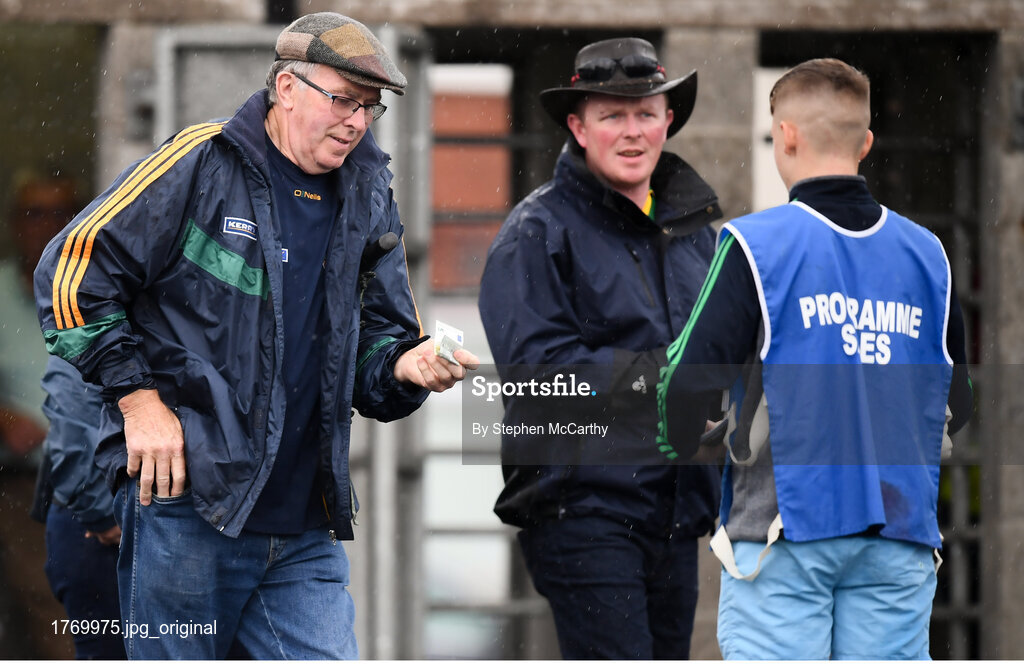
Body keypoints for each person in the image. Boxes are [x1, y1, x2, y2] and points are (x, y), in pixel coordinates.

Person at [33, 12, 478, 660]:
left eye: (369, 108)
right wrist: (139, 402)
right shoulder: (200, 161)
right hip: (189, 509)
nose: (356, 121)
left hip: (304, 524)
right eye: (343, 100)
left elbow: (377, 344)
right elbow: (70, 273)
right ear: (286, 88)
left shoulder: (369, 194)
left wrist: (405, 368)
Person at [656, 58, 973, 660]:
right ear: (867, 143)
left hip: (785, 533)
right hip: (899, 536)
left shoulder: (755, 245)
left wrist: (684, 439)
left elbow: (684, 390)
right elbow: (957, 404)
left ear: (786, 135)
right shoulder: (928, 256)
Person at [478, 37, 723, 659]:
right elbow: (537, 380)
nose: (632, 131)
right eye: (612, 115)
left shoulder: (697, 234)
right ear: (578, 127)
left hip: (678, 512)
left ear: (669, 120)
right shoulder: (534, 234)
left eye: (645, 113)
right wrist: (667, 377)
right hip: (582, 512)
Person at [31, 356, 125, 660]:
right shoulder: (93, 317)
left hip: (121, 518)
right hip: (97, 526)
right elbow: (72, 426)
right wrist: (102, 514)